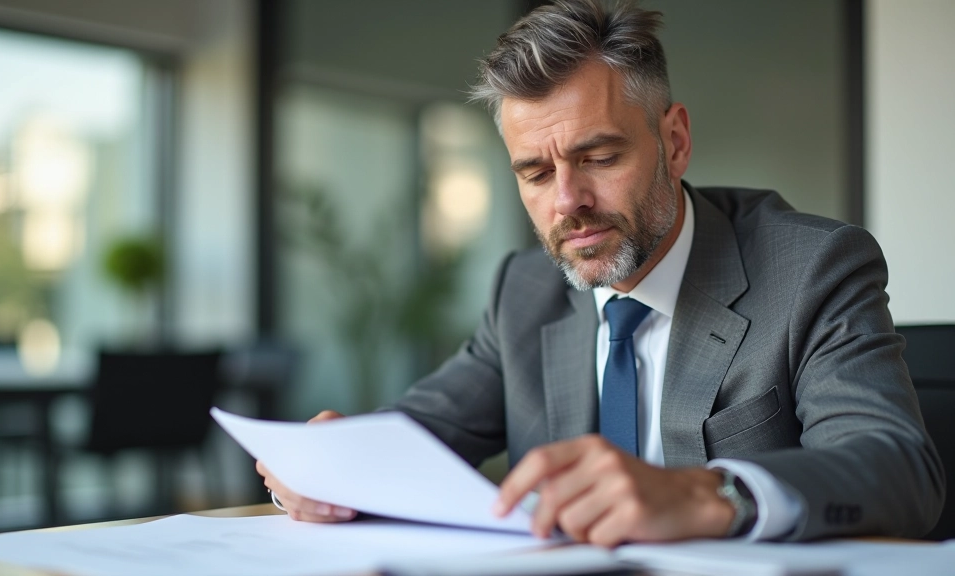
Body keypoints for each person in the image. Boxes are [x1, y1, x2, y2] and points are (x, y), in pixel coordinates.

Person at [257, 0, 944, 545]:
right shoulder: (524, 292)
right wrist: (330, 466)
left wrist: (707, 492)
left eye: (599, 157)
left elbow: (900, 469)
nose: (567, 202)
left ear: (674, 141)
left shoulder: (811, 269)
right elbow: (412, 438)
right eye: (534, 172)